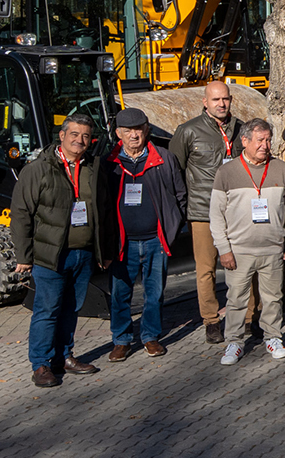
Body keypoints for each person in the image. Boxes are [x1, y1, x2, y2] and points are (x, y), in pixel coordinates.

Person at [12, 114, 112, 387]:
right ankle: (41, 364)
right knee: (47, 310)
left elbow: (103, 210)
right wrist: (24, 256)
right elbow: (21, 214)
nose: (80, 141)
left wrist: (104, 250)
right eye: (75, 134)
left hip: (83, 253)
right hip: (51, 255)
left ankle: (64, 357)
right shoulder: (38, 170)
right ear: (62, 135)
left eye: (86, 136)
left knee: (71, 309)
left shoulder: (93, 167)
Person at [210, 119, 285, 364]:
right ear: (245, 141)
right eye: (260, 140)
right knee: (237, 298)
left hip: (273, 248)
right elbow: (216, 215)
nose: (265, 145)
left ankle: (272, 336)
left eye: (268, 140)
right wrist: (224, 249)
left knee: (273, 297)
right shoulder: (227, 172)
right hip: (239, 251)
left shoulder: (281, 169)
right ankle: (234, 342)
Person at [167, 81, 245, 344]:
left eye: (225, 99)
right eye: (215, 100)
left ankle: (247, 316)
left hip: (236, 210)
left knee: (242, 265)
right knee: (206, 269)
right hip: (202, 211)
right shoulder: (188, 131)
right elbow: (174, 170)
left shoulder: (241, 129)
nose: (221, 104)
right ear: (205, 102)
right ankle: (211, 321)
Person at [106, 107, 187, 361]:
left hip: (155, 239)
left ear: (147, 130)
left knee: (155, 292)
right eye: (127, 131)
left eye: (138, 129)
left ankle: (150, 337)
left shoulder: (163, 158)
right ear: (118, 133)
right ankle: (121, 340)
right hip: (123, 242)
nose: (134, 135)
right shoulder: (109, 164)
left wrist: (172, 227)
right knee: (121, 294)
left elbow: (180, 194)